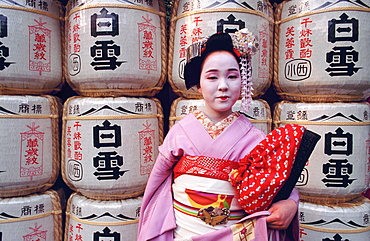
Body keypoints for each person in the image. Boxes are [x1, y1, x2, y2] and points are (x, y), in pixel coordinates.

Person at [137, 30, 299, 241]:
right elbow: (156, 184)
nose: (223, 85)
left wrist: (291, 203)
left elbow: (280, 183)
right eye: (212, 77)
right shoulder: (180, 132)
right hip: (184, 232)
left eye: (232, 76)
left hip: (235, 233)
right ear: (198, 84)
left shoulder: (256, 139)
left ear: (243, 83)